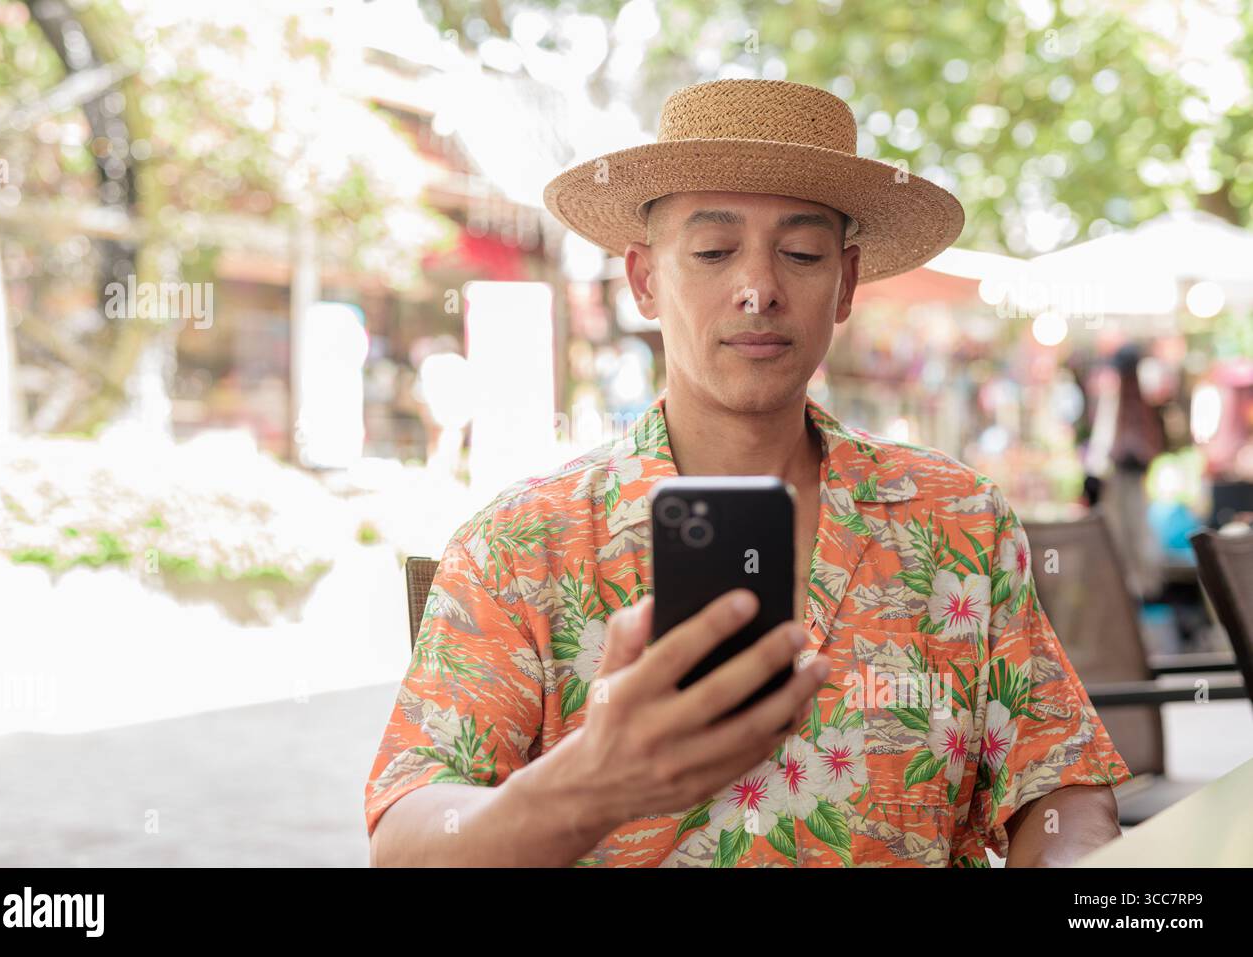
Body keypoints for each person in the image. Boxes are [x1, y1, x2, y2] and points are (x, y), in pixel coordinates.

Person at [364, 79, 1130, 867]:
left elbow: (1059, 781)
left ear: (847, 282)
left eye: (801, 253)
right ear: (644, 280)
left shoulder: (960, 519)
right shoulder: (522, 545)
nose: (759, 288)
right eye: (712, 251)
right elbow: (410, 836)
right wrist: (586, 784)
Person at [1085, 344, 1168, 600]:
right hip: (1120, 475)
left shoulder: (1138, 400)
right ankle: (1130, 583)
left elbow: (1147, 442)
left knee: (1136, 528)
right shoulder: (1116, 398)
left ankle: (1141, 584)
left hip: (1132, 475)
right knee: (1123, 529)